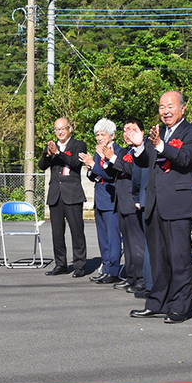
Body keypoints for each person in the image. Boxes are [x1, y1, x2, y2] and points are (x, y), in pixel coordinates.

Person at [122, 91, 192, 323]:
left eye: (170, 106)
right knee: (158, 258)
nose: (165, 111)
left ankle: (180, 305)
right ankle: (157, 302)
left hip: (179, 204)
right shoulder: (157, 133)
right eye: (161, 107)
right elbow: (143, 162)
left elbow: (186, 159)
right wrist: (140, 145)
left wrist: (159, 145)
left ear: (182, 108)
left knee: (179, 258)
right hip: (155, 203)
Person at [38, 117, 88, 278]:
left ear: (70, 129)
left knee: (77, 230)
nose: (60, 132)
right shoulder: (51, 146)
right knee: (57, 232)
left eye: (63, 128)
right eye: (57, 129)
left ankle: (80, 265)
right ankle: (60, 264)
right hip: (55, 194)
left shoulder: (78, 145)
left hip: (72, 193)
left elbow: (75, 162)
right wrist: (48, 154)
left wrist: (58, 153)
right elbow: (41, 166)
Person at [102, 117, 147, 294]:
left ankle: (142, 278)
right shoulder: (124, 151)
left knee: (137, 243)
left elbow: (132, 170)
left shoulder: (142, 152)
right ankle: (131, 276)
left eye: (132, 129)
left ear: (141, 132)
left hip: (133, 201)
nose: (127, 133)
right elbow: (114, 171)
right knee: (127, 243)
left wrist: (112, 157)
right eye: (125, 130)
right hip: (121, 201)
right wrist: (105, 159)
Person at [80, 119, 122, 284]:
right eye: (97, 135)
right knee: (102, 238)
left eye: (102, 134)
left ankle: (114, 271)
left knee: (113, 238)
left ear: (112, 135)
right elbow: (96, 176)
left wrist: (94, 166)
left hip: (112, 199)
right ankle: (105, 268)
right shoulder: (98, 152)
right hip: (100, 198)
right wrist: (91, 167)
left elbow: (111, 175)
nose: (99, 138)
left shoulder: (118, 151)